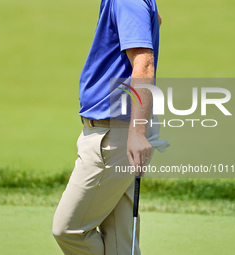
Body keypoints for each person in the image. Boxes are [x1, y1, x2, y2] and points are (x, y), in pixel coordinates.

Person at [52, 0, 165, 254]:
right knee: (120, 244)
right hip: (120, 128)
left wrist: (136, 132)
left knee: (70, 231)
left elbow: (144, 63)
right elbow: (155, 20)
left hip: (115, 133)